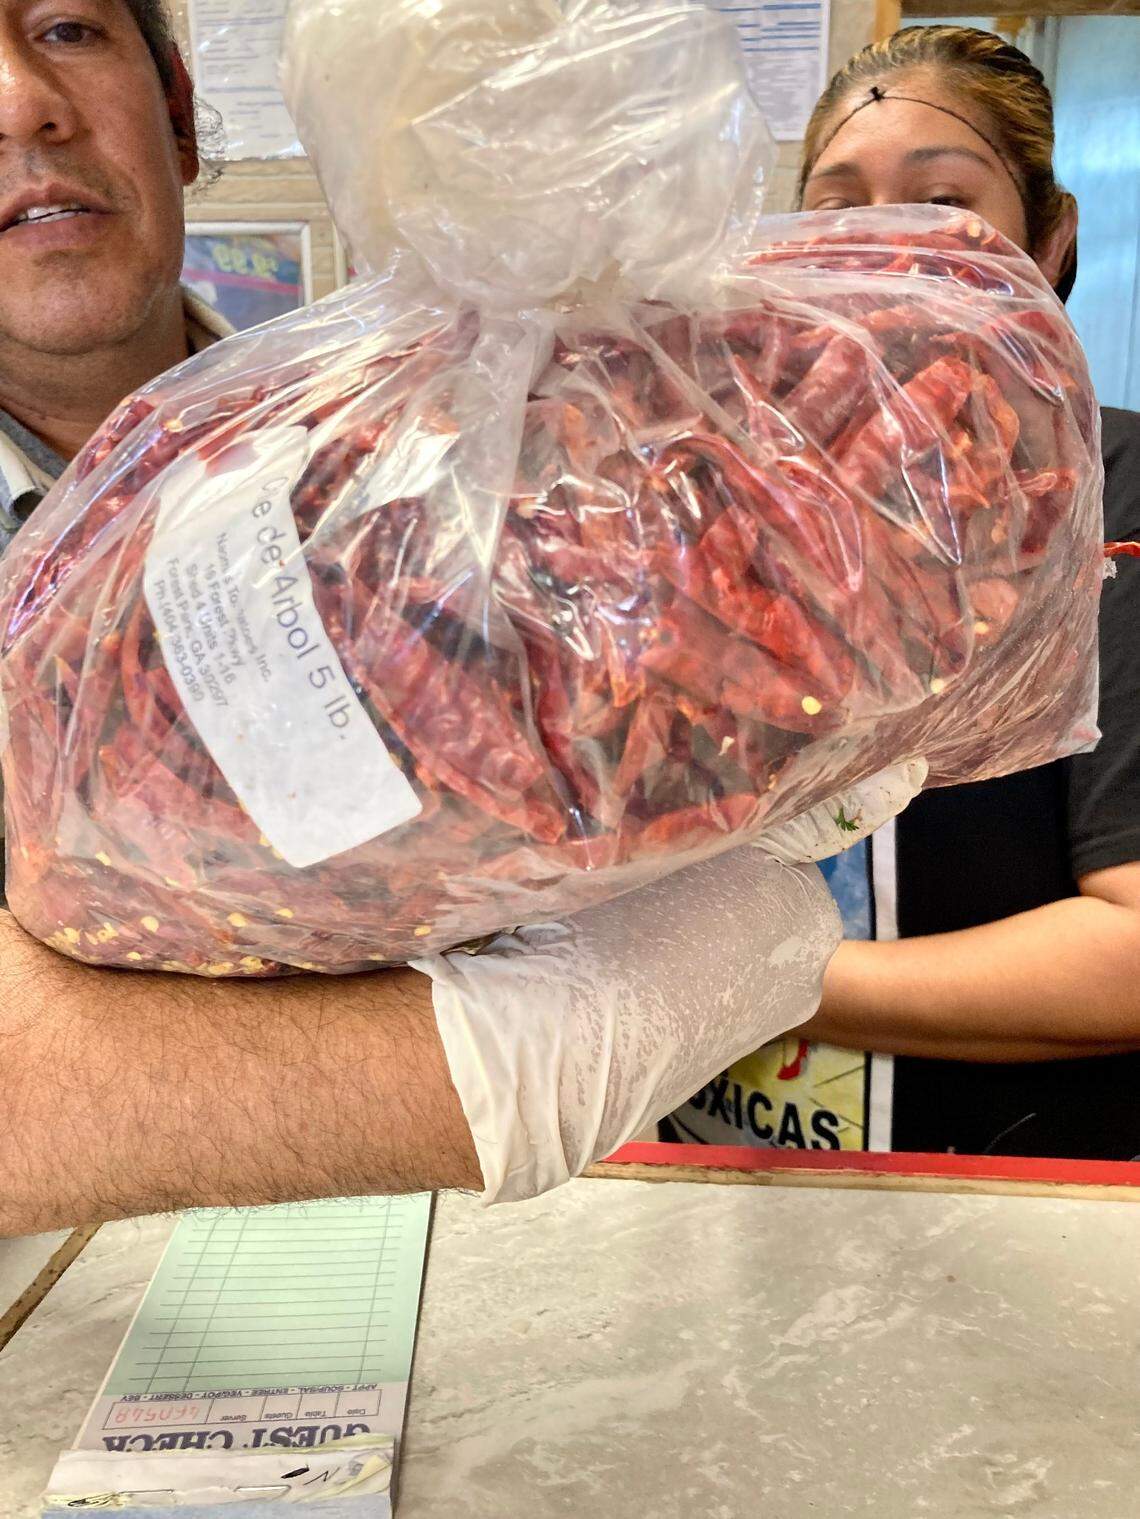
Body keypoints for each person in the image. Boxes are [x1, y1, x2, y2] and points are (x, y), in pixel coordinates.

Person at [0, 0, 922, 1236]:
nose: (19, 102)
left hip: (537, 1288)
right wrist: (460, 1079)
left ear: (177, 112)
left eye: (63, 28)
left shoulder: (404, 461)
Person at [668, 25, 1140, 1161]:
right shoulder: (713, 502)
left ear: (1051, 241)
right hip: (700, 1168)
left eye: (941, 203)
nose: (883, 250)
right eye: (837, 211)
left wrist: (753, 978)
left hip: (994, 1202)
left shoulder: (1113, 503)